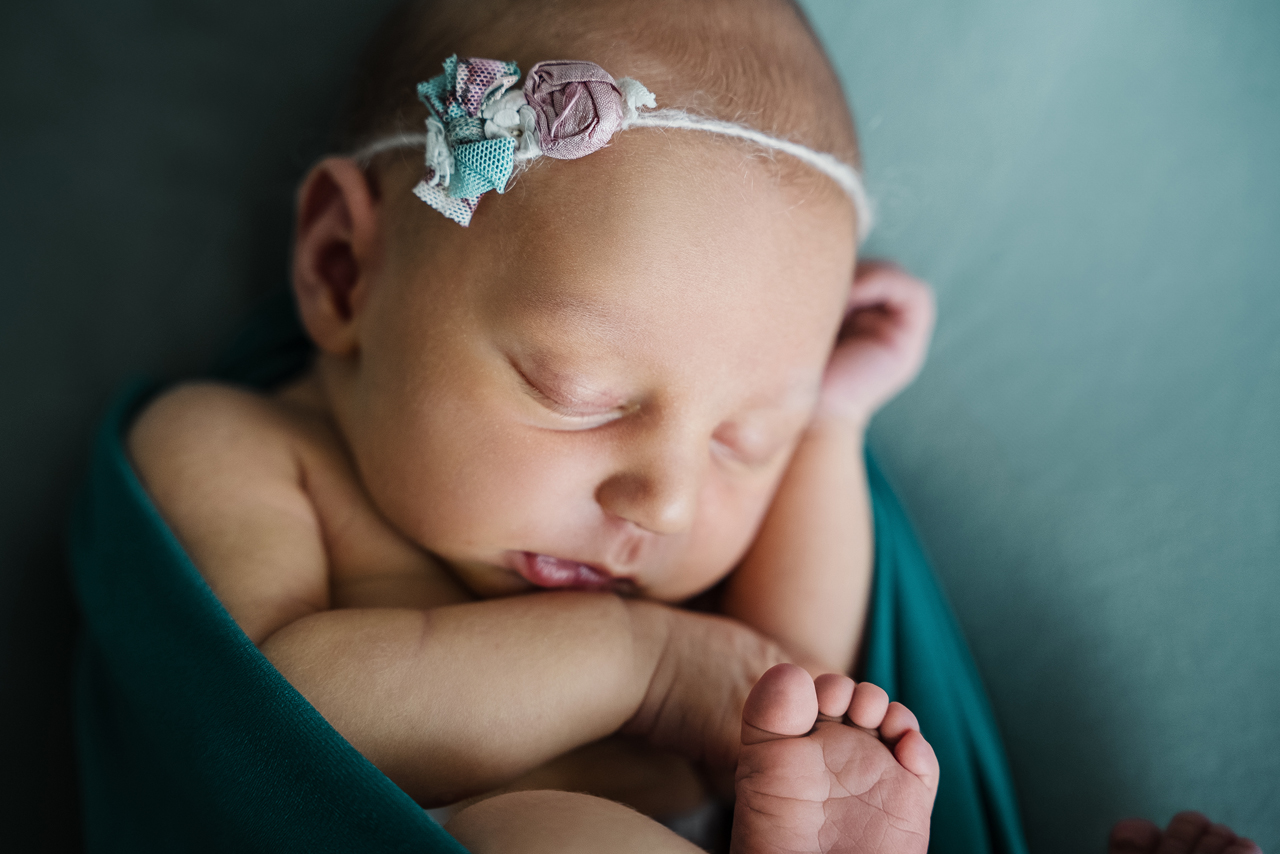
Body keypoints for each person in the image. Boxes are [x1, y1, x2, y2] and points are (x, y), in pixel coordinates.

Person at [122, 1, 1261, 852]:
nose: (662, 502)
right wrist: (649, 664)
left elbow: (792, 677)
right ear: (342, 270)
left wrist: (824, 428)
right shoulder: (242, 448)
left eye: (739, 441)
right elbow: (259, 713)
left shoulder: (674, 563)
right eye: (583, 393)